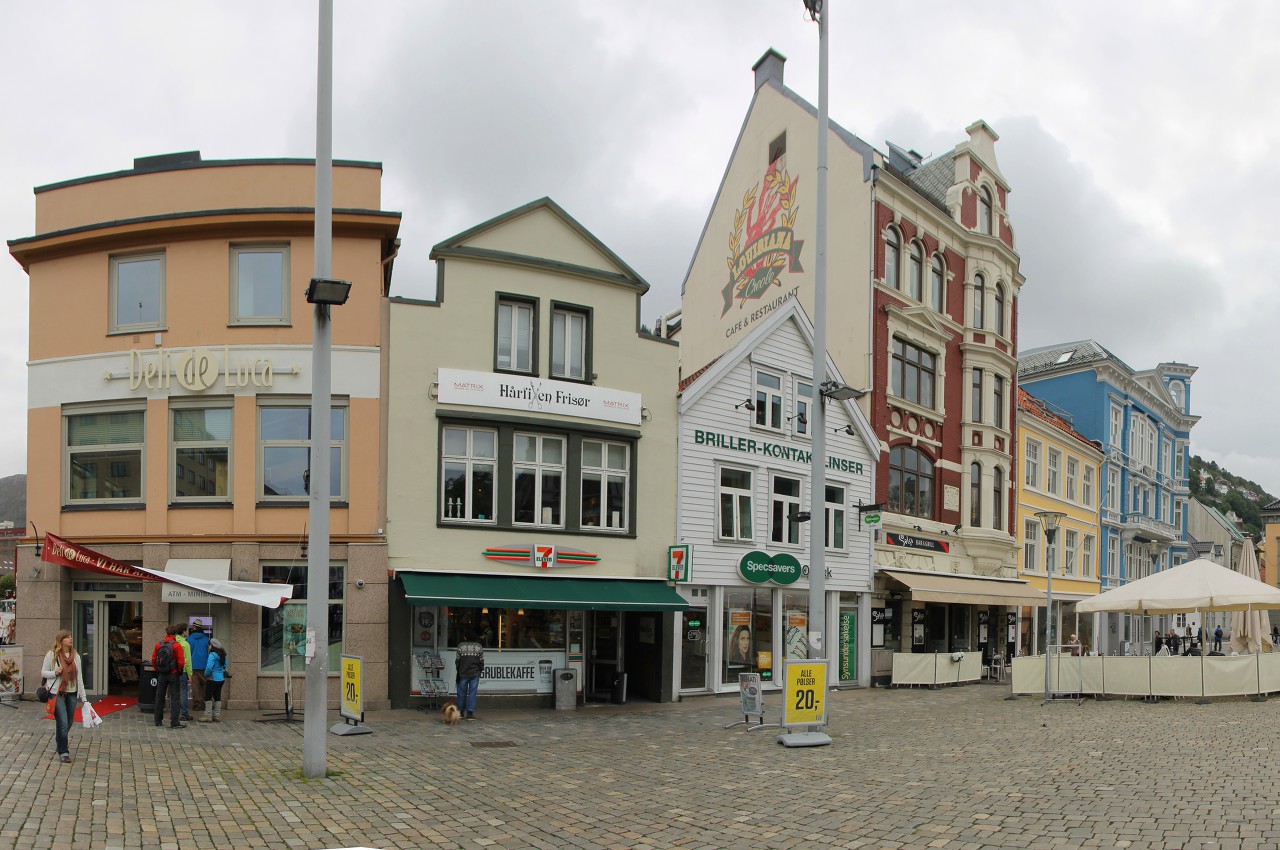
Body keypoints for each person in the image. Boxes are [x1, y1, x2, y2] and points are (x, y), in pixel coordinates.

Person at [42, 629, 86, 764]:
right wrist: (55, 672)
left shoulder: (76, 656)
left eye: (71, 637)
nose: (70, 639)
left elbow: (79, 678)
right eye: (67, 637)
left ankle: (60, 742)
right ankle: (63, 751)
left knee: (69, 722)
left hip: (72, 692)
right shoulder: (52, 654)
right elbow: (43, 672)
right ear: (61, 640)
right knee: (63, 723)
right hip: (57, 693)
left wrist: (83, 697)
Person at [152, 625, 187, 729]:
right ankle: (174, 722)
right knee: (175, 697)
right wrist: (178, 670)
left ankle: (157, 720)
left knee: (159, 696)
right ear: (175, 634)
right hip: (173, 673)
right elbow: (181, 661)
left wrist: (158, 669)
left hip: (162, 674)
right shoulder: (176, 645)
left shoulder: (159, 644)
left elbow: (153, 659)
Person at [455, 630, 484, 720]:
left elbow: (457, 661)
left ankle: (460, 712)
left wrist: (459, 670)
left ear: (465, 637)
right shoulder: (479, 647)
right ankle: (470, 713)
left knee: (461, 693)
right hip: (475, 673)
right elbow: (481, 661)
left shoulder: (461, 646)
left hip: (463, 672)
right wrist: (480, 670)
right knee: (472, 693)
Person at [200, 638, 227, 722]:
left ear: (212, 646)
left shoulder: (212, 655)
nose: (208, 647)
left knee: (208, 697)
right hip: (221, 679)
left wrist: (206, 674)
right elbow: (225, 665)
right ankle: (217, 716)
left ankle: (208, 716)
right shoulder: (222, 654)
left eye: (209, 645)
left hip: (212, 679)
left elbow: (209, 667)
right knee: (217, 697)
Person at [187, 623, 210, 715]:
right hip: (204, 665)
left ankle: (196, 704)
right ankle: (204, 703)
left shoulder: (189, 639)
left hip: (193, 665)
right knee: (205, 684)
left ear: (193, 627)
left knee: (195, 685)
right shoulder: (207, 639)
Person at [174, 623, 194, 721]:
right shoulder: (185, 644)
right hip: (183, 671)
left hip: (173, 671)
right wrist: (190, 674)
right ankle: (184, 713)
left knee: (174, 692)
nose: (187, 632)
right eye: (187, 630)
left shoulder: (173, 642)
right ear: (183, 632)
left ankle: (174, 712)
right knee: (184, 692)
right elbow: (188, 661)